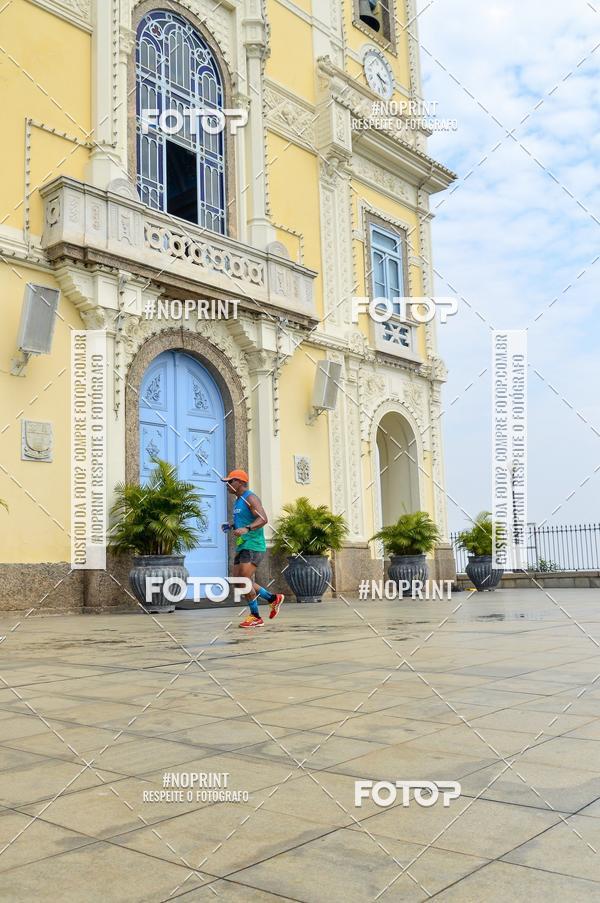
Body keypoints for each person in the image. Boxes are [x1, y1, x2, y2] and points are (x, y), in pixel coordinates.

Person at [220, 469, 284, 628]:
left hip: (253, 545)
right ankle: (272, 598)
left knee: (244, 580)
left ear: (241, 482)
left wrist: (247, 529)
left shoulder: (250, 498)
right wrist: (232, 525)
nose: (227, 485)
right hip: (243, 544)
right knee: (238, 581)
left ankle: (255, 616)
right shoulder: (238, 500)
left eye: (230, 481)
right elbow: (245, 520)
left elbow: (263, 519)